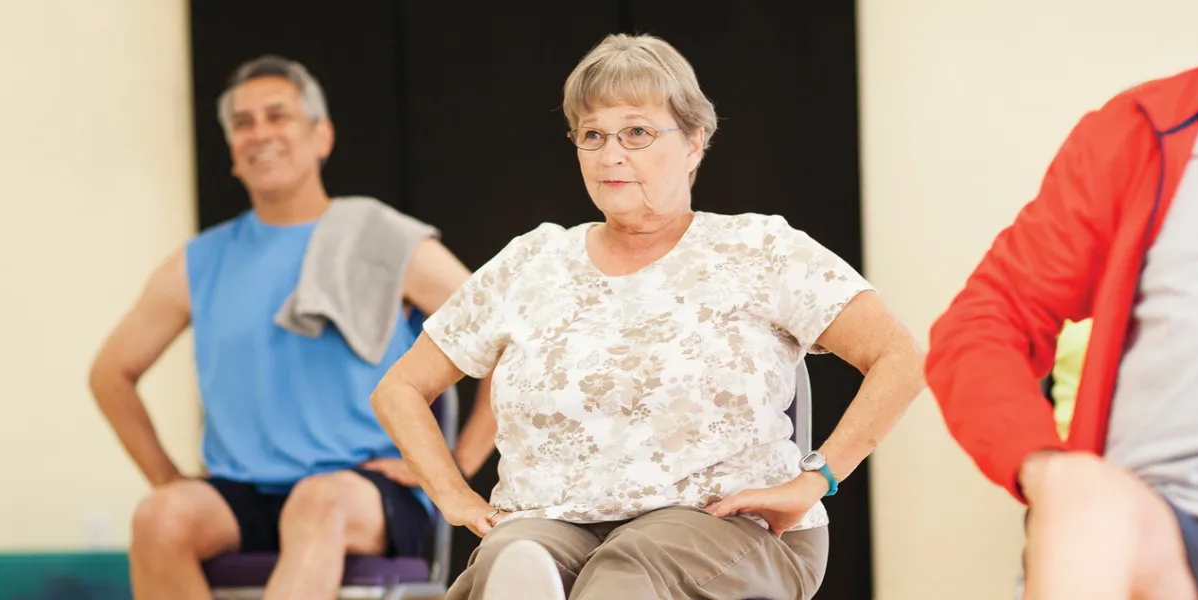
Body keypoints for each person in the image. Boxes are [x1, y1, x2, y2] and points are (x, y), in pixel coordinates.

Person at [369, 34, 925, 600]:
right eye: (593, 135)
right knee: (511, 558)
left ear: (693, 143)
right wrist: (453, 495)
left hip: (719, 524)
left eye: (636, 132)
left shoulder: (760, 249)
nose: (611, 153)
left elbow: (898, 358)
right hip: (557, 523)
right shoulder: (532, 261)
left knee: (626, 572)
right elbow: (401, 389)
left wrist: (817, 478)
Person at [88, 55, 497, 600]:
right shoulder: (200, 262)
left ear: (320, 137)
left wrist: (457, 466)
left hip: (363, 490)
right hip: (245, 492)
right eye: (243, 122)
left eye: (277, 116)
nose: (260, 133)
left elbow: (505, 334)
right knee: (159, 518)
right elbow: (110, 373)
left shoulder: (388, 241)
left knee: (317, 501)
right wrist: (169, 479)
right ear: (232, 152)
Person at [926, 27, 1198, 600]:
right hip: (1175, 548)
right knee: (1083, 496)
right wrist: (1050, 472)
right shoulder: (1144, 130)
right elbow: (983, 323)